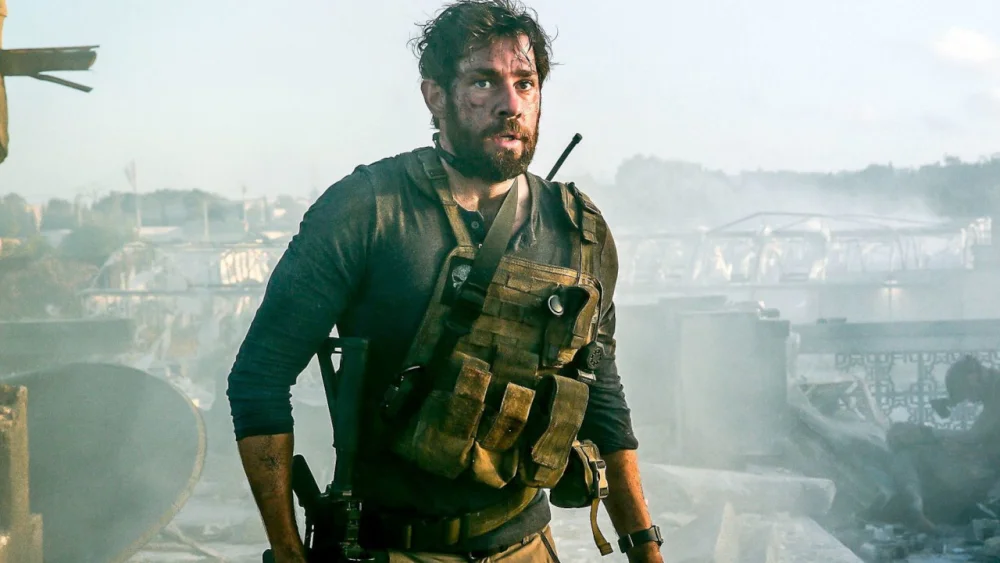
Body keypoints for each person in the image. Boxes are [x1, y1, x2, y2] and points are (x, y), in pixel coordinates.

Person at [226, 1, 663, 562]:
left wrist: (644, 547)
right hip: (391, 549)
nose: (510, 105)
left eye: (525, 83)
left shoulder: (577, 231)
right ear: (435, 96)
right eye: (484, 82)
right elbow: (259, 379)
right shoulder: (368, 210)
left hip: (525, 546)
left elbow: (600, 393)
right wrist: (287, 552)